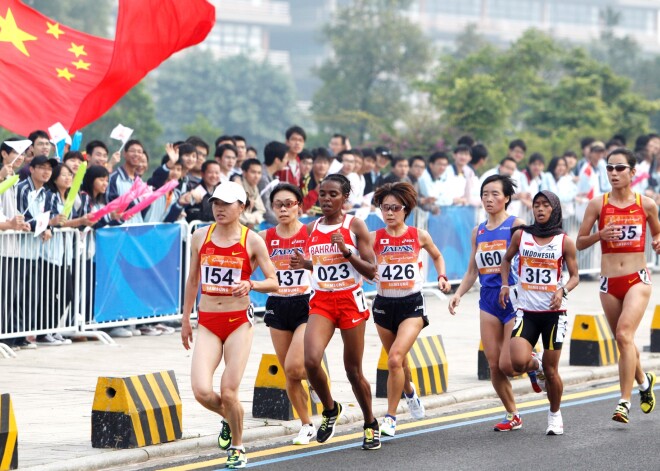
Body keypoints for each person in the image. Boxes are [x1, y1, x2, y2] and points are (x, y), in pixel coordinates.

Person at [181, 181, 278, 469]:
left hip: (238, 323)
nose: (219, 209)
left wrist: (251, 283)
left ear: (242, 207)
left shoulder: (252, 240)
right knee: (201, 390)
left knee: (229, 389)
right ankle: (230, 416)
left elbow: (274, 281)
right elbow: (193, 280)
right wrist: (185, 319)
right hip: (208, 322)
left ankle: (237, 446)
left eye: (226, 203)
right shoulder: (200, 236)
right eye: (215, 203)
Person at [289, 174, 380, 450]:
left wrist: (347, 251)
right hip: (322, 301)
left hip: (350, 300)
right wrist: (304, 263)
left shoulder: (355, 226)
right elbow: (320, 264)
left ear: (344, 198)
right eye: (322, 194)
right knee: (311, 361)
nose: (326, 200)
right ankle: (330, 409)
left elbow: (372, 270)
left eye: (333, 195)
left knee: (353, 371)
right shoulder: (311, 228)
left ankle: (369, 423)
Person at [576, 148, 660, 424]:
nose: (613, 173)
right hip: (608, 282)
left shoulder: (646, 204)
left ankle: (624, 402)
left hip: (637, 278)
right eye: (610, 168)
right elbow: (579, 242)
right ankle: (645, 382)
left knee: (625, 334)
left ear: (633, 172)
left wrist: (658, 243)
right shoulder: (597, 205)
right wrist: (600, 234)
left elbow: (657, 233)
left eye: (620, 168)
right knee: (624, 340)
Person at [449, 175, 533, 432]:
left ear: (507, 197)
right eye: (485, 193)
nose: (489, 198)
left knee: (510, 365)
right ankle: (513, 414)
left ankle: (534, 363)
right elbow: (472, 271)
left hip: (513, 299)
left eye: (495, 193)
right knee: (494, 365)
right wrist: (459, 293)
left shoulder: (516, 225)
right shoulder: (479, 231)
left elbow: (532, 260)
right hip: (488, 300)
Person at [370, 182, 451, 437]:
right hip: (383, 305)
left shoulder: (419, 235)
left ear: (406, 209)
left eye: (395, 208)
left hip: (411, 304)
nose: (390, 213)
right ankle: (410, 392)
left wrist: (442, 275)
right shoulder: (374, 238)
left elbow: (437, 255)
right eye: (385, 208)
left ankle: (390, 417)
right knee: (399, 361)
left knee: (394, 358)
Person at [500, 190, 579, 436]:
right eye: (537, 205)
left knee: (553, 371)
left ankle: (554, 415)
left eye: (546, 205)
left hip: (555, 314)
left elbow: (575, 276)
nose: (540, 209)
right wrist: (505, 284)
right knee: (517, 362)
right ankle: (536, 366)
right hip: (527, 311)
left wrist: (562, 291)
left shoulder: (564, 241)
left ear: (554, 209)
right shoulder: (521, 235)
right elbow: (506, 260)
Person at [258, 183, 316, 445]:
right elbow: (246, 266)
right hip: (277, 304)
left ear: (299, 206)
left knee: (295, 366)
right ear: (272, 207)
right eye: (278, 204)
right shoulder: (264, 236)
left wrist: (308, 263)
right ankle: (306, 424)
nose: (283, 209)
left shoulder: (309, 232)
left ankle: (317, 379)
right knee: (289, 373)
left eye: (289, 204)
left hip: (306, 303)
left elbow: (328, 264)